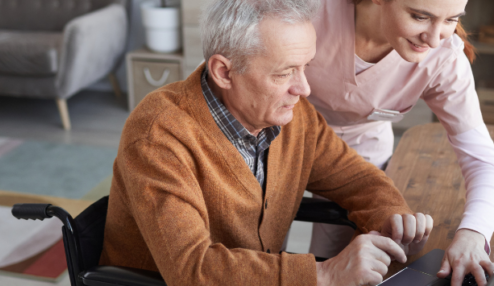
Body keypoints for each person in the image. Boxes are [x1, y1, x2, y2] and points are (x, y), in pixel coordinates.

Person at [100, 0, 433, 285]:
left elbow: (356, 178)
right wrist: (325, 274)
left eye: (305, 67)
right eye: (284, 73)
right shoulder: (158, 134)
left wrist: (392, 216)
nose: (303, 88)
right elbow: (191, 269)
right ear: (224, 73)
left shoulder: (292, 116)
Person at [305, 0, 494, 285]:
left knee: (338, 257)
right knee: (257, 245)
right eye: (420, 17)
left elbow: (481, 157)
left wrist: (473, 233)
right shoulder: (309, 12)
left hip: (361, 150)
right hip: (280, 134)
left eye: (451, 19)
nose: (433, 39)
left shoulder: (444, 56)